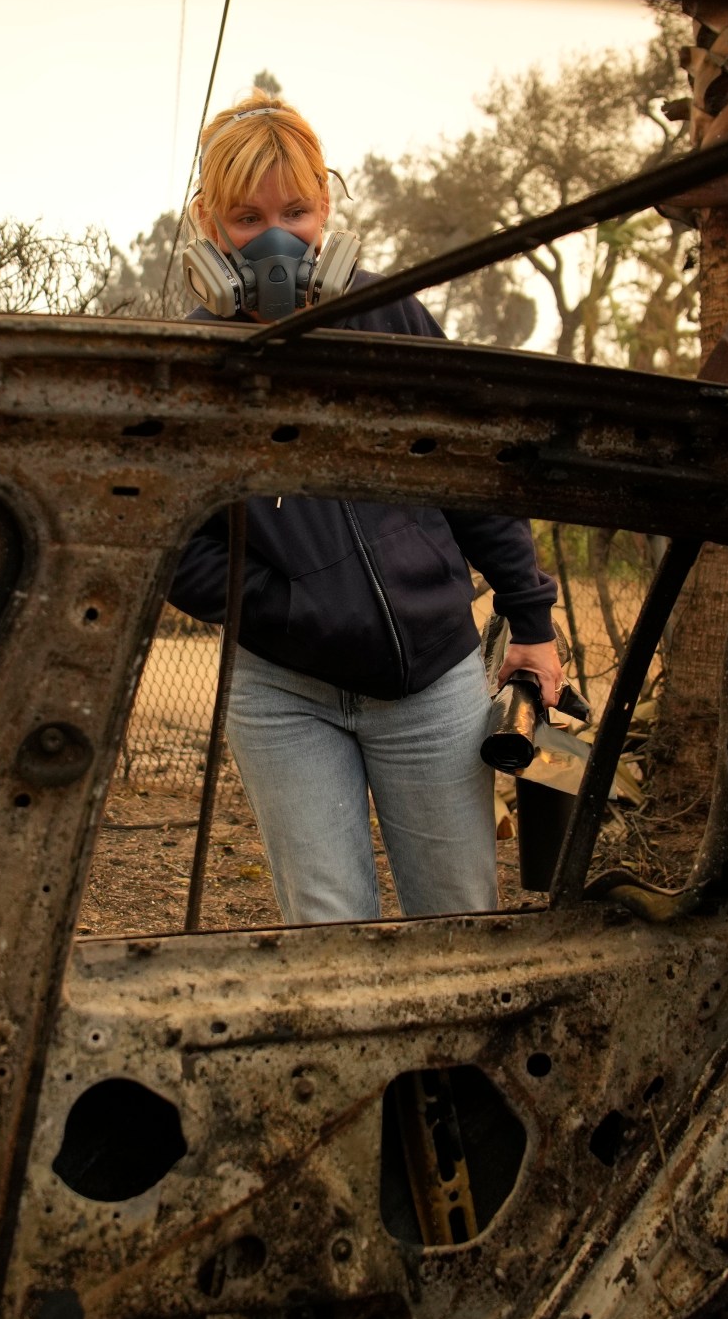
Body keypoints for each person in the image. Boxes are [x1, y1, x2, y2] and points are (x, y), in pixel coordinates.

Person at [167, 90, 565, 926]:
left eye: (297, 210)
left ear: (329, 207)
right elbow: (172, 540)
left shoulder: (394, 317)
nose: (277, 237)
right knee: (327, 926)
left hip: (435, 683)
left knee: (458, 922)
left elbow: (473, 470)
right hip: (282, 694)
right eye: (246, 217)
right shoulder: (194, 363)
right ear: (207, 225)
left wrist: (530, 620)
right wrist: (286, 609)